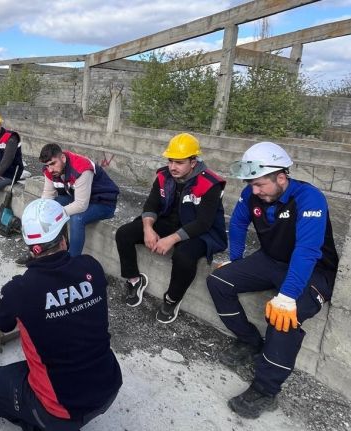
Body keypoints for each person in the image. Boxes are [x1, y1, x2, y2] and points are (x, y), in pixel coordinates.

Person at [206, 142, 338, 419]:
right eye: (251, 185)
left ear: (281, 177)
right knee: (219, 281)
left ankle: (266, 390)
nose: (254, 191)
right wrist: (237, 258)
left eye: (260, 185)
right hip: (271, 260)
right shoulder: (252, 192)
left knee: (282, 317)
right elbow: (239, 223)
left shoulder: (309, 198)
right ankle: (249, 341)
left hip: (313, 269)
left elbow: (307, 250)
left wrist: (288, 296)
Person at [0, 199, 122, 430]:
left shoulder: (19, 290)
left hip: (59, 410)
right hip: (109, 386)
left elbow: (2, 324)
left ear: (31, 246)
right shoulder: (91, 266)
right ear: (64, 236)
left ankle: (38, 423)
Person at [115, 133, 226, 323]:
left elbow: (203, 223)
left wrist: (171, 239)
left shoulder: (210, 183)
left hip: (200, 231)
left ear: (193, 161)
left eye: (179, 162)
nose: (173, 167)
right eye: (170, 161)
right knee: (124, 233)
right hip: (169, 221)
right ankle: (134, 280)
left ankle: (172, 298)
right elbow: (151, 205)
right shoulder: (163, 176)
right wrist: (148, 229)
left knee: (184, 256)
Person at [39, 143, 119, 257]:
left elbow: (81, 205)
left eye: (53, 163)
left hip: (103, 202)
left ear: (62, 158)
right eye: (47, 165)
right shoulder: (50, 170)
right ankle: (46, 250)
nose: (50, 169)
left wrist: (56, 213)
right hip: (78, 196)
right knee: (51, 205)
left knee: (77, 218)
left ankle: (71, 262)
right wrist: (42, 211)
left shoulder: (81, 167)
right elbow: (48, 194)